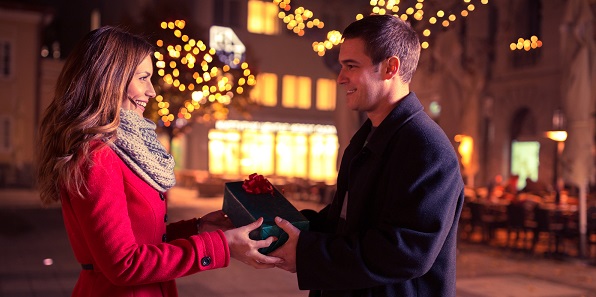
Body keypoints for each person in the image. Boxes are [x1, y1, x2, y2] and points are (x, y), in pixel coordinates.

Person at [36, 26, 281, 297]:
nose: (152, 91)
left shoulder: (119, 148)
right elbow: (123, 264)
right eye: (143, 78)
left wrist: (198, 228)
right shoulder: (97, 155)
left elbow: (142, 238)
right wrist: (221, 245)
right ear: (110, 80)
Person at [270, 14, 465, 296]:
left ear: (390, 68)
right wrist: (278, 223)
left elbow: (405, 251)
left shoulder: (426, 148)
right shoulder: (368, 137)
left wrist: (306, 253)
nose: (340, 78)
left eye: (351, 66)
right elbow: (344, 221)